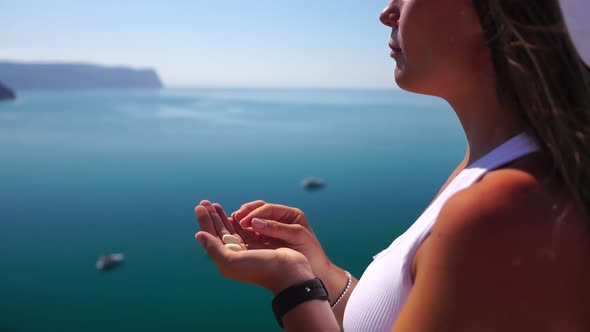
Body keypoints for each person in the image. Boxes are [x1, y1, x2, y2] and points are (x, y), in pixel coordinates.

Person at [194, 0, 590, 330]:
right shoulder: (488, 169)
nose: (387, 12)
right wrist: (319, 271)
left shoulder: (506, 208)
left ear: (497, 12)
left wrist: (292, 285)